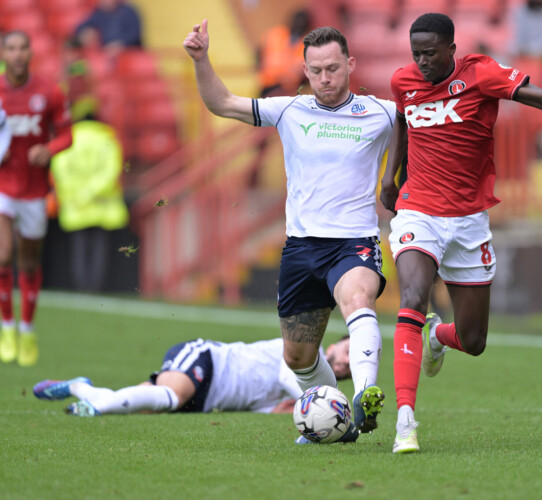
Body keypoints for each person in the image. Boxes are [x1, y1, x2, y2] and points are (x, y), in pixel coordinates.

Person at [380, 12, 542, 454]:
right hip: (418, 210)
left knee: (474, 341)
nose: (421, 62)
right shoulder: (403, 81)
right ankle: (406, 421)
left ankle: (439, 337)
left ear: (451, 49)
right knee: (413, 297)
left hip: (469, 221)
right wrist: (391, 177)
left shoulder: (482, 74)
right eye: (415, 54)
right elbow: (403, 120)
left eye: (429, 54)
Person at [183, 22, 396, 442]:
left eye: (333, 68)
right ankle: (341, 420)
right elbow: (222, 103)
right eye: (316, 70)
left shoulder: (383, 113)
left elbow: (427, 127)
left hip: (354, 242)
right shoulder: (289, 110)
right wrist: (201, 59)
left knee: (358, 299)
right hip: (301, 248)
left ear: (350, 64)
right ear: (305, 70)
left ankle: (366, 391)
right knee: (297, 357)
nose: (325, 78)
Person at [33, 336, 351, 416]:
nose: (347, 362)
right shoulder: (305, 346)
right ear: (334, 344)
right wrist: (321, 404)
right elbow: (286, 374)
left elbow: (265, 406)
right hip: (208, 360)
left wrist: (299, 413)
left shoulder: (302, 390)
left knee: (139, 405)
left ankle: (84, 391)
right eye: (349, 350)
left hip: (206, 400)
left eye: (351, 366)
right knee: (170, 397)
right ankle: (88, 397)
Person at [0, 31, 73, 367]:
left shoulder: (49, 91)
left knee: (28, 262)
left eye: (22, 48)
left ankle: (27, 329)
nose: (17, 54)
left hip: (34, 190)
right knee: (3, 255)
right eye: (11, 48)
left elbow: (67, 135)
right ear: (3, 54)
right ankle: (6, 326)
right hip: (3, 186)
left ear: (31, 53)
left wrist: (49, 148)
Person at [49, 110, 130, 292]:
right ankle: (95, 287)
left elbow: (60, 170)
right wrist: (90, 193)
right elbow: (112, 171)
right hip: (102, 205)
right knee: (99, 249)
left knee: (79, 249)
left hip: (75, 206)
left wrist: (78, 195)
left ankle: (81, 287)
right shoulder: (105, 138)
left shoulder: (68, 139)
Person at [258, 9, 311, 97]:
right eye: (297, 21)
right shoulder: (276, 34)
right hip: (267, 82)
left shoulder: (306, 45)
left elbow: (298, 71)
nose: (299, 25)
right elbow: (261, 54)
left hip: (286, 88)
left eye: (302, 23)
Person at [75, 0, 142, 55]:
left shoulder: (128, 11)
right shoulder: (99, 13)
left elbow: (134, 33)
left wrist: (121, 44)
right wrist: (86, 31)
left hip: (128, 51)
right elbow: (81, 27)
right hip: (106, 52)